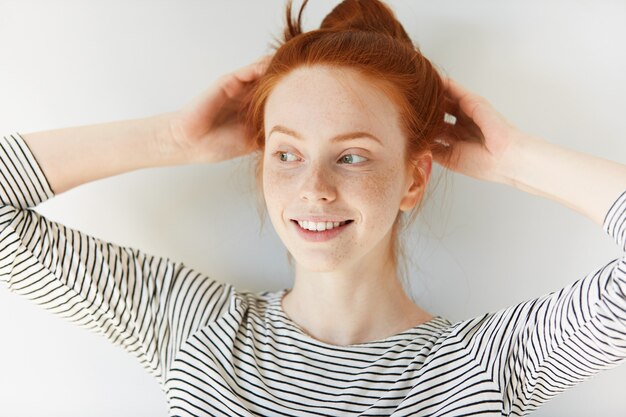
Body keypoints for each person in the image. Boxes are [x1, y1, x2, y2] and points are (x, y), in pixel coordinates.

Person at [1, 0, 625, 415]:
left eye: (352, 156)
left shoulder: (486, 365)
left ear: (414, 180)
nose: (314, 188)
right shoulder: (197, 331)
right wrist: (171, 138)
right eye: (287, 154)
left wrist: (514, 159)